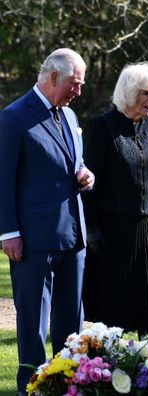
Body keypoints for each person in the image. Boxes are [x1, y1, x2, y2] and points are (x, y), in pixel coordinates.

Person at [0, 48, 94, 396]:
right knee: (33, 324)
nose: (78, 91)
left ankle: (70, 383)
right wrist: (9, 232)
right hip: (32, 240)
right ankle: (32, 387)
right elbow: (2, 179)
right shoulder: (13, 117)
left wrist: (86, 175)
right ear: (54, 76)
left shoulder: (69, 116)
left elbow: (74, 164)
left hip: (74, 236)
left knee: (71, 322)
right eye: (75, 83)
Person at [82, 62, 148, 337]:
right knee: (115, 308)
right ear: (129, 93)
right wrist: (92, 229)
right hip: (115, 229)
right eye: (146, 93)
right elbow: (90, 185)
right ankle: (112, 369)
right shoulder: (103, 127)